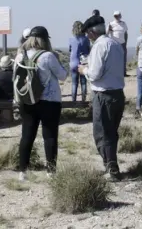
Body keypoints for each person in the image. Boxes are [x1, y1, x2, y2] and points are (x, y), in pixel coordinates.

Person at [15, 26, 68, 180]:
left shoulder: (20, 56)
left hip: (27, 100)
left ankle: (22, 171)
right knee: (50, 136)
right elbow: (63, 76)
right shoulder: (48, 56)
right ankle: (51, 172)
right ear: (45, 39)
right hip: (49, 101)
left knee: (27, 136)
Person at [79, 21, 125, 181]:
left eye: (87, 33)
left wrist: (83, 69)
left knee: (102, 133)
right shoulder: (116, 44)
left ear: (92, 32)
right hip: (117, 93)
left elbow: (95, 74)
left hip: (104, 95)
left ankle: (111, 168)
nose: (87, 36)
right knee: (111, 132)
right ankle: (111, 165)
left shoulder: (100, 46)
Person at [68, 21, 90, 102]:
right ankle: (83, 101)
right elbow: (88, 49)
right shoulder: (86, 39)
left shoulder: (71, 39)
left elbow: (70, 49)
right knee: (83, 83)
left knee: (74, 84)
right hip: (83, 63)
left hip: (73, 63)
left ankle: (73, 102)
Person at [108, 11, 129, 77]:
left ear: (120, 16)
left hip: (122, 43)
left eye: (118, 16)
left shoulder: (123, 24)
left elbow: (125, 33)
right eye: (115, 16)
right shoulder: (111, 24)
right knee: (114, 58)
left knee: (123, 58)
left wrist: (126, 43)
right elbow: (107, 33)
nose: (117, 17)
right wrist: (108, 29)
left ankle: (123, 73)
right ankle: (114, 72)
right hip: (114, 44)